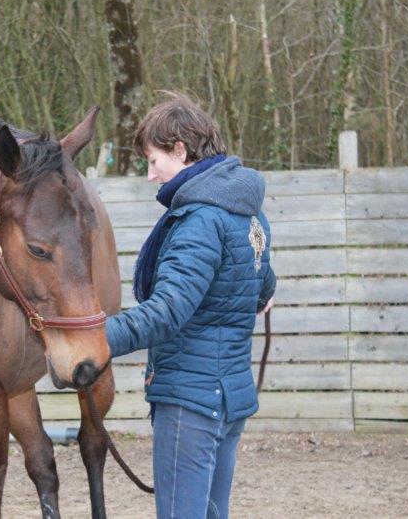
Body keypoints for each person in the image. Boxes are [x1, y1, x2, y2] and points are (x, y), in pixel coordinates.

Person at [105, 92, 276, 519]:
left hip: (190, 403)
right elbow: (263, 291)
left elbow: (167, 312)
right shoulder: (248, 213)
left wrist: (93, 337)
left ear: (180, 150)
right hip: (228, 397)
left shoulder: (200, 218)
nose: (150, 176)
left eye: (153, 161)